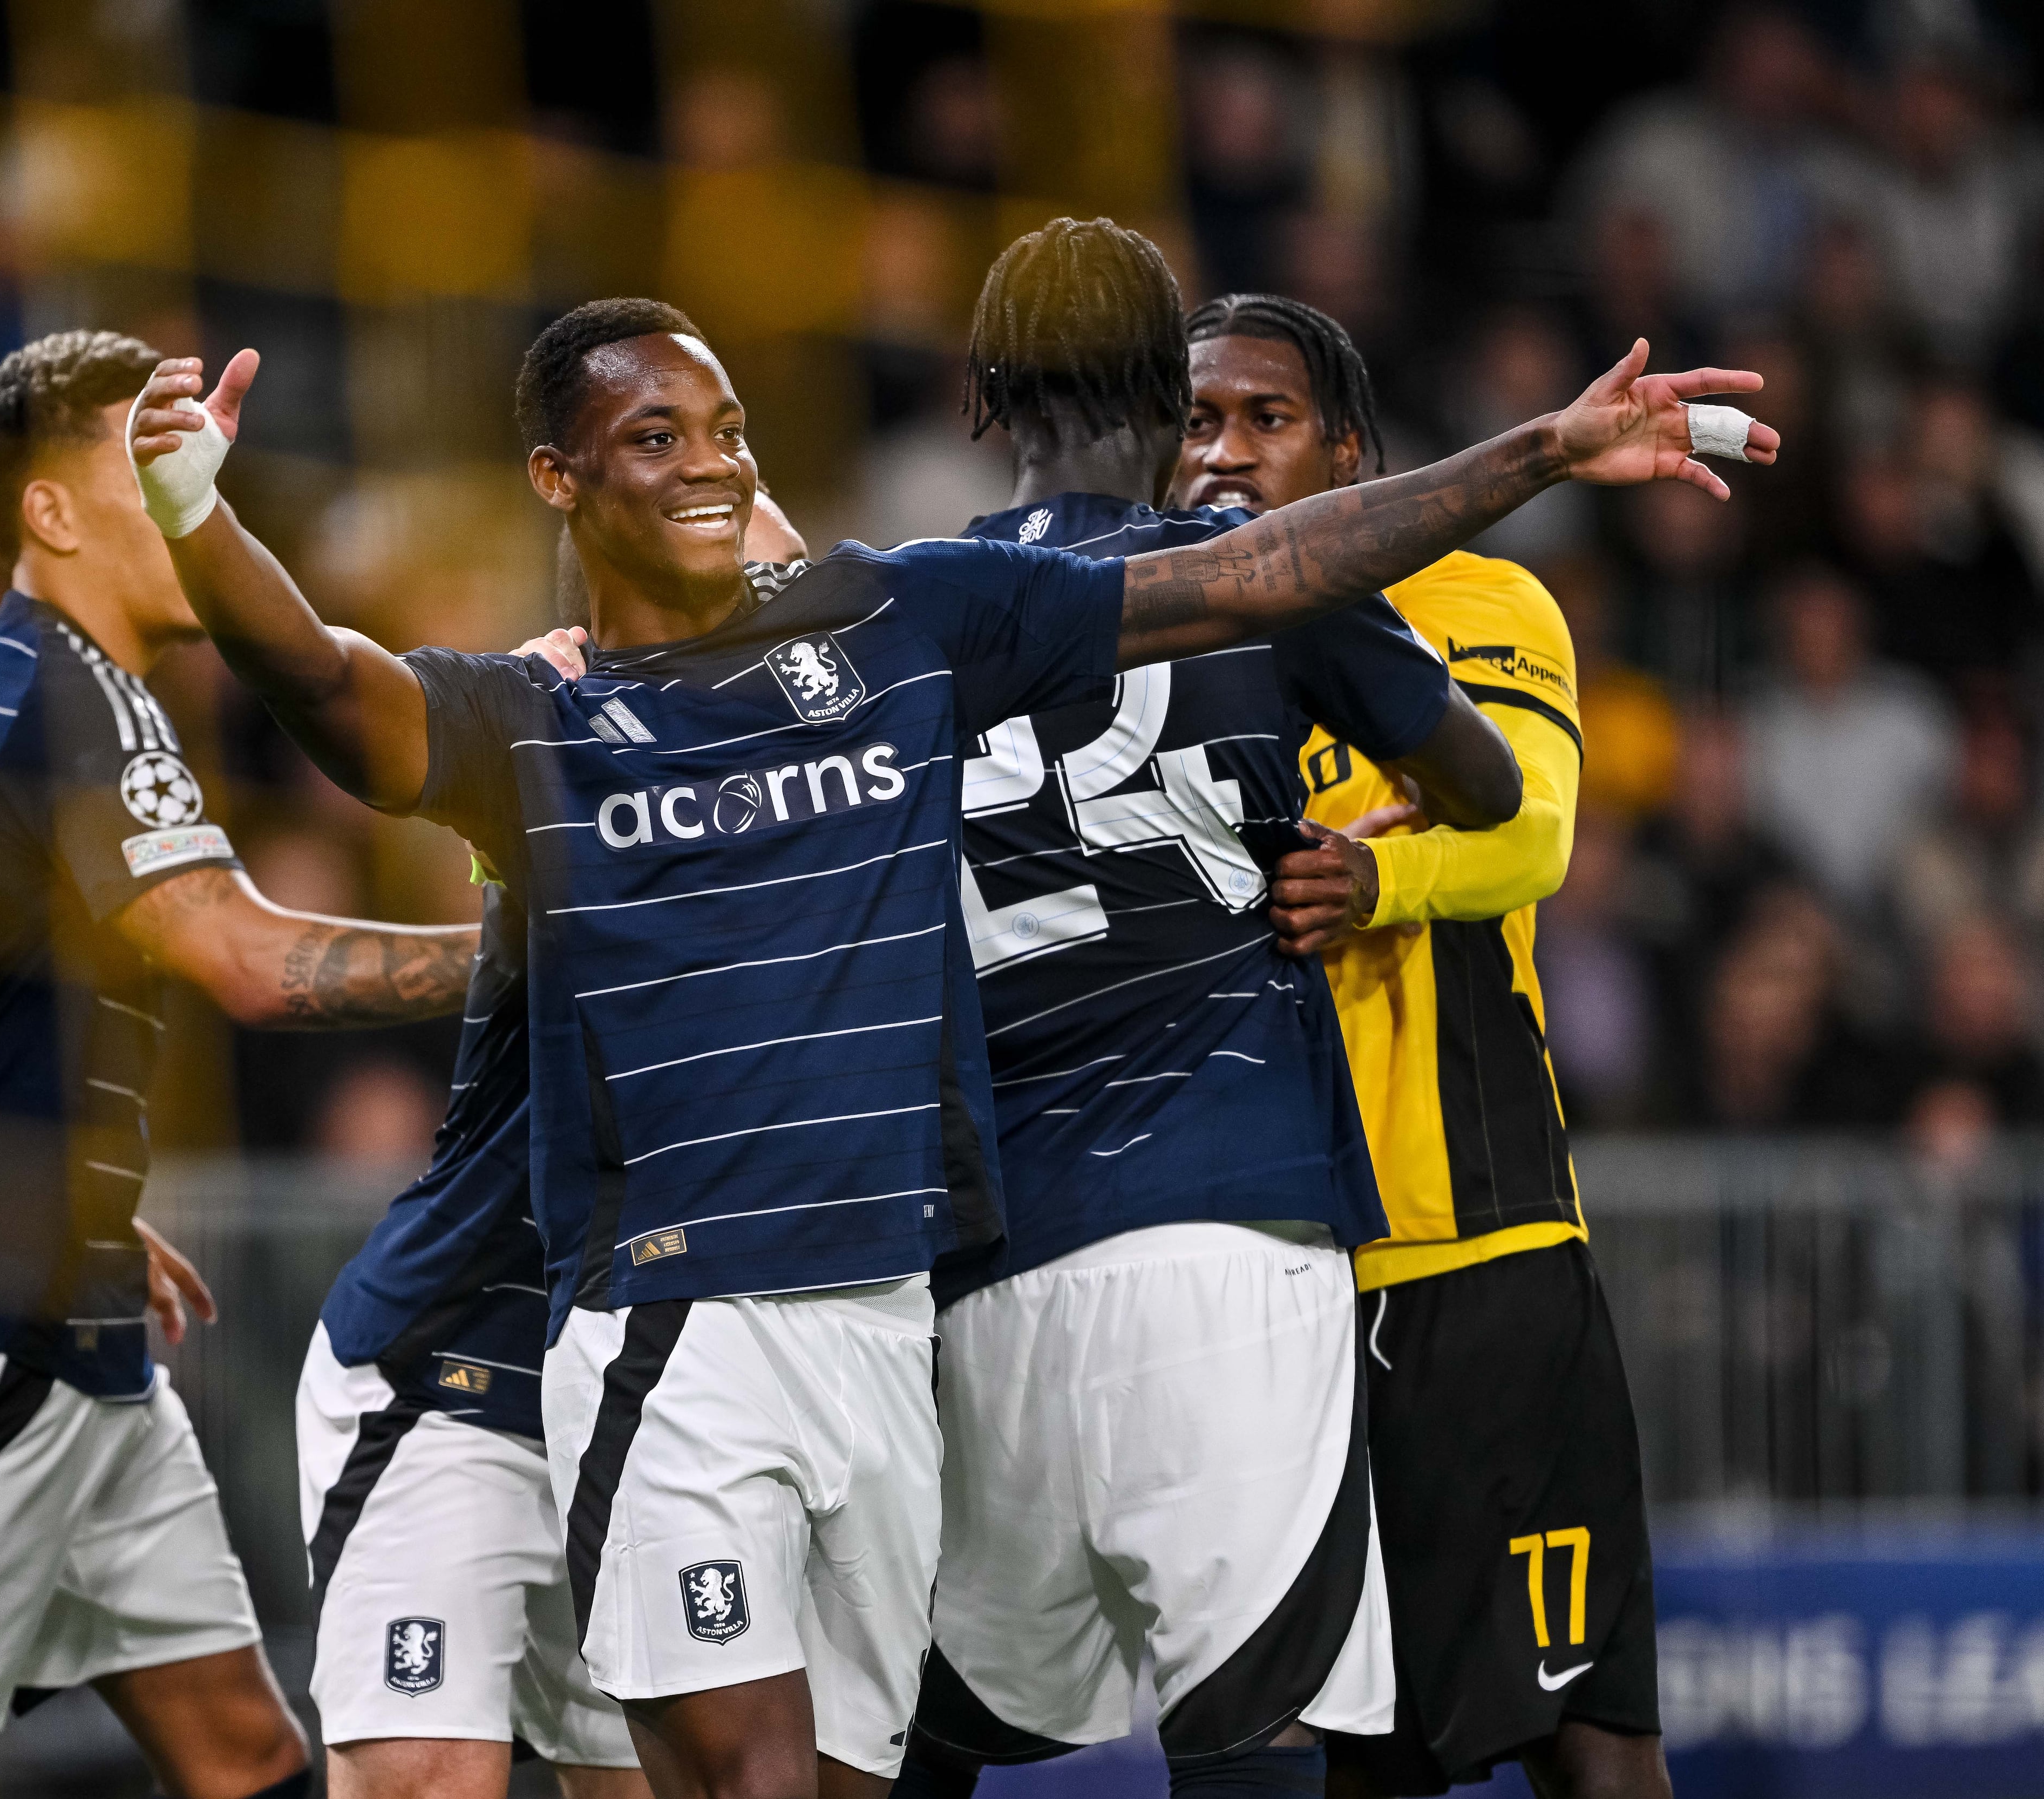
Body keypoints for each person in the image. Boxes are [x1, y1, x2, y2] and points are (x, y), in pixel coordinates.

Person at [128, 303, 1773, 1799]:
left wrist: (1543, 452)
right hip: (678, 1322)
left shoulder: (906, 619)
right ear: (558, 479)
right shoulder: (546, 719)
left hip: (892, 1338)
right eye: (657, 437)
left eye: (729, 433)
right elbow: (332, 696)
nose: (709, 464)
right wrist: (202, 517)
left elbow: (1257, 573)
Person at [0, 329, 482, 1799]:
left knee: (246, 1753)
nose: (184, 507)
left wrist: (44, 1189)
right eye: (147, 477)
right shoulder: (73, 705)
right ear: (52, 512)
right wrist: (528, 954)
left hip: (78, 1345)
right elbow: (248, 961)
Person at [884, 219, 1516, 1799]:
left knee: (919, 1725)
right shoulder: (1267, 581)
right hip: (1229, 1213)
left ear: (981, 399)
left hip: (983, 1257)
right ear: (1176, 410)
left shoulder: (890, 612)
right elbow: (1486, 783)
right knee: (1254, 1727)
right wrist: (1338, 841)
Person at [1172, 294, 1670, 1799]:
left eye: (1266, 418)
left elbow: (1534, 830)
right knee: (1352, 1765)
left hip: (1481, 1246)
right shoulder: (1159, 635)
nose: (1225, 453)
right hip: (1264, 1285)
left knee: (1596, 1744)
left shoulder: (1475, 601)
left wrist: (1382, 876)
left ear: (1353, 448)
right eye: (1197, 421)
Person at [300, 492, 805, 1799]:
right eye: (729, 599)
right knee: (430, 1773)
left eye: (781, 600)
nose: (773, 636)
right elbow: (368, 714)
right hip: (459, 1374)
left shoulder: (844, 825)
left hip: (650, 1411)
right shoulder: (570, 752)